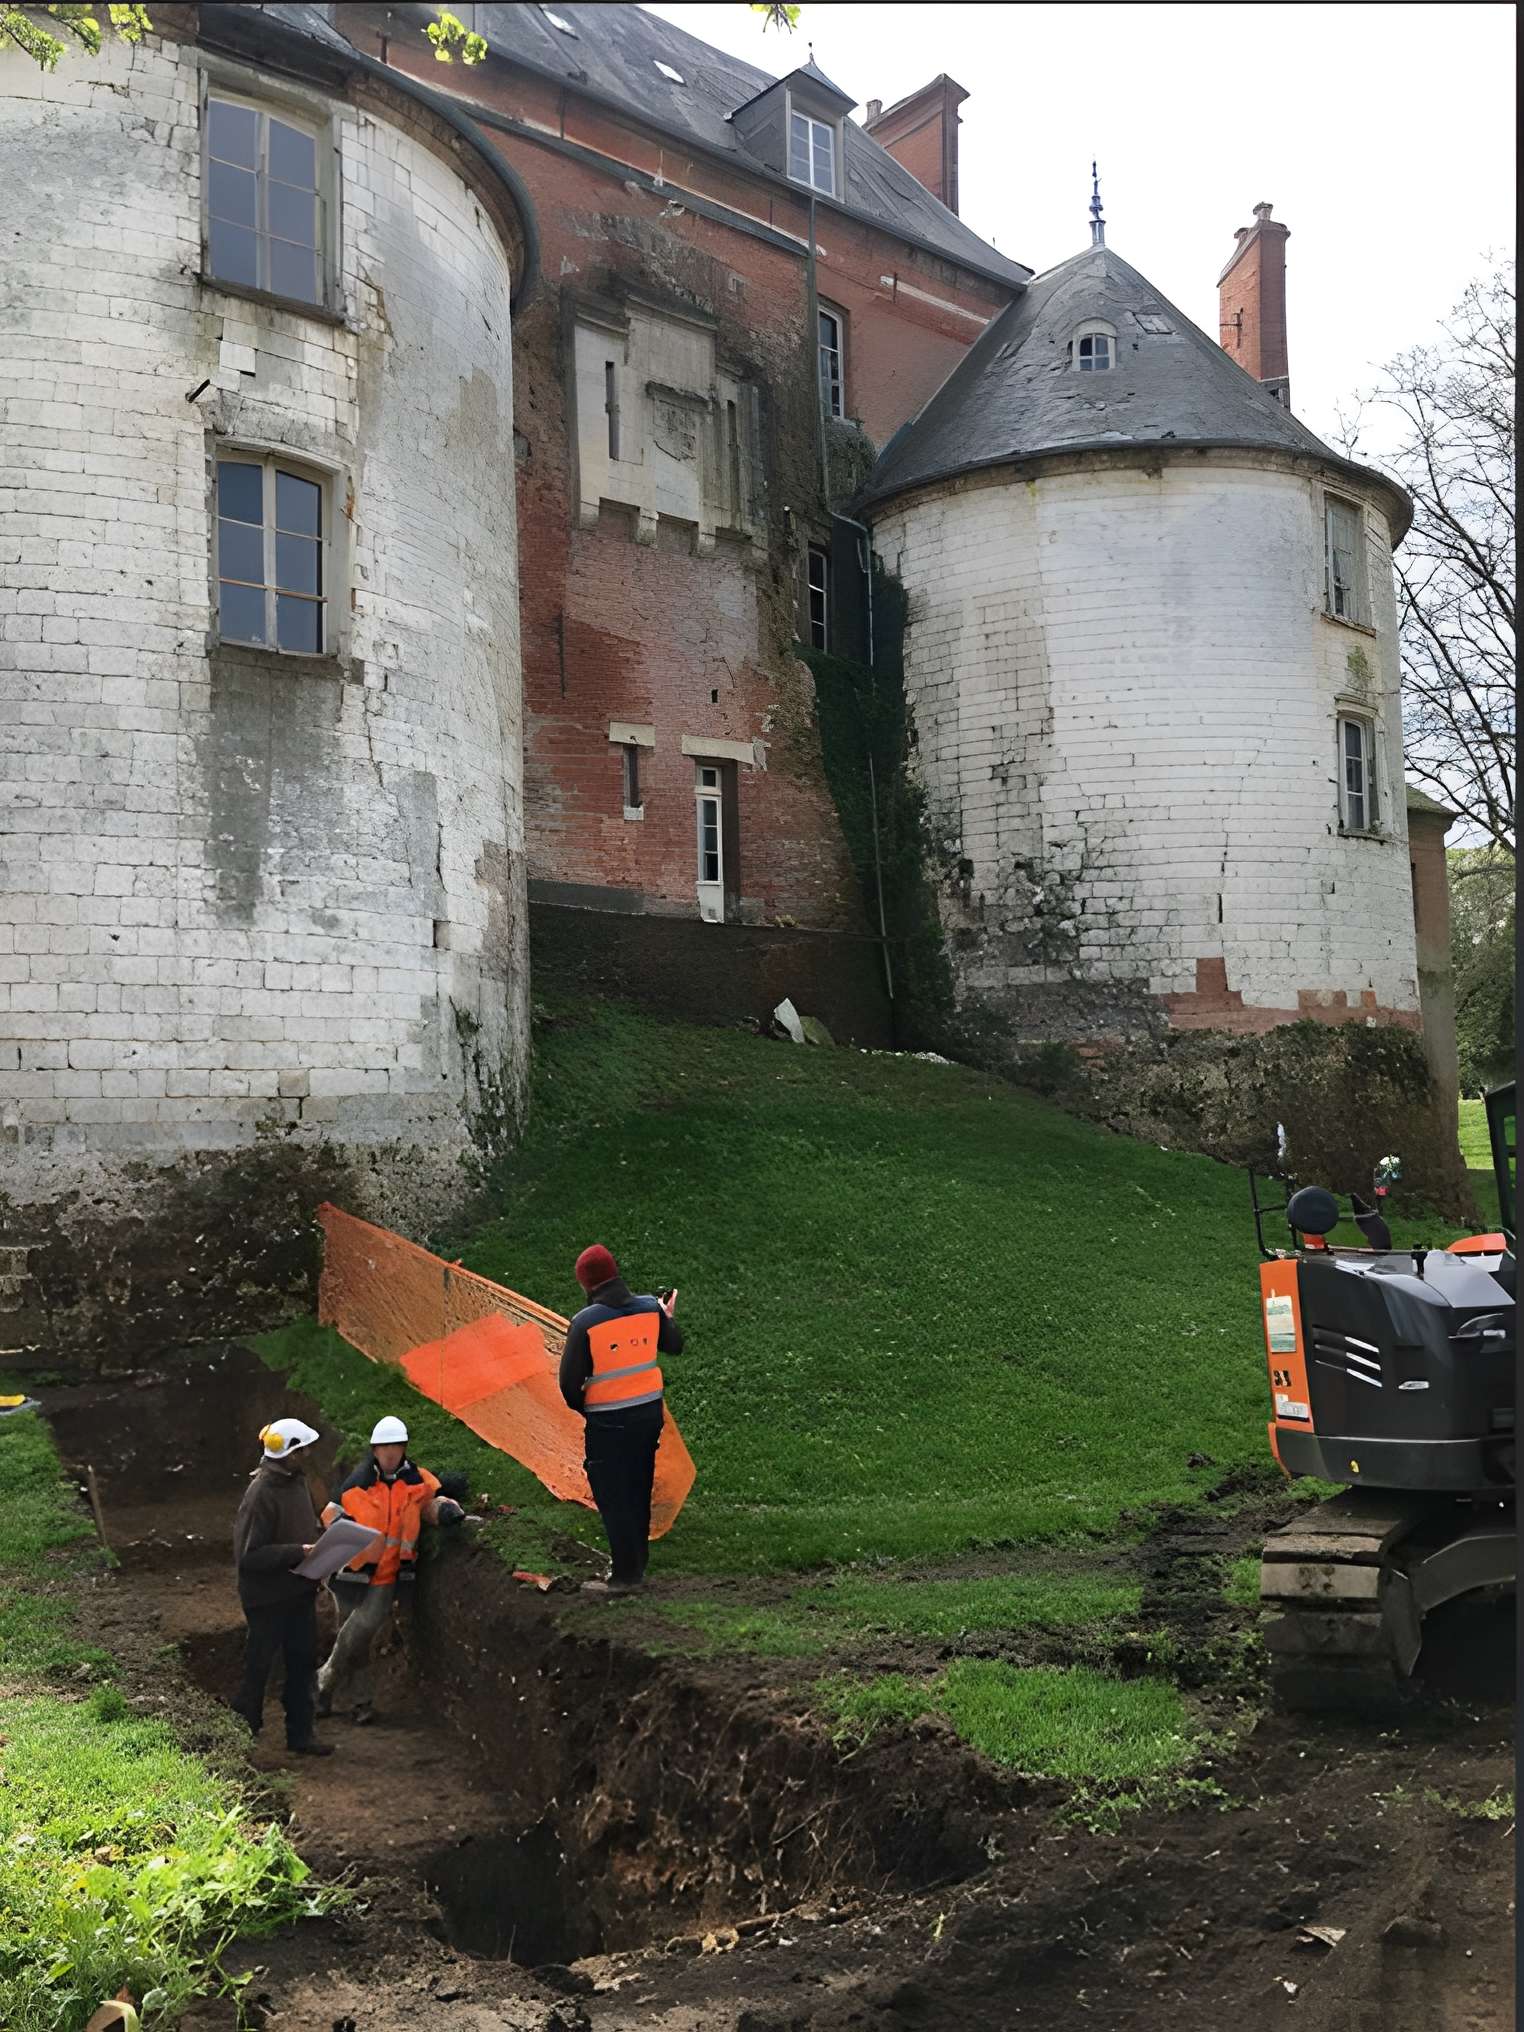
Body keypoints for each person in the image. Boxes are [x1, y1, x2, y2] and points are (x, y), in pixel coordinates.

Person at [315, 1415, 466, 1723]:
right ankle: (356, 1703)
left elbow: (430, 1502)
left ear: (404, 1448)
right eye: (385, 1447)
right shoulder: (356, 1484)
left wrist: (448, 1511)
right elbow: (329, 1515)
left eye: (396, 1446)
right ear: (374, 1449)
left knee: (363, 1627)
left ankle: (324, 1679)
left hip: (386, 1575)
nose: (390, 1452)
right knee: (356, 1641)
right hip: (349, 1573)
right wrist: (341, 1526)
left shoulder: (415, 1481)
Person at [559, 1244, 683, 1596]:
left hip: (608, 1423)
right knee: (638, 1486)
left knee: (613, 1494)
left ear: (586, 1284)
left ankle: (625, 1578)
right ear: (615, 1273)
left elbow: (569, 1384)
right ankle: (636, 1566)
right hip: (647, 1417)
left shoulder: (585, 1323)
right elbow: (674, 1345)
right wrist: (666, 1315)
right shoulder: (648, 1308)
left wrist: (588, 1407)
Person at [231, 1417, 334, 1756]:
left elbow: (303, 1529)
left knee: (302, 1663)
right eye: (301, 1450)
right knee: (258, 1665)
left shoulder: (295, 1483)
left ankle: (301, 1735)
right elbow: (250, 1556)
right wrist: (298, 1553)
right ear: (287, 1453)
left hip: (297, 1593)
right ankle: (245, 1735)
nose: (306, 1455)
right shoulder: (260, 1493)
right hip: (267, 1600)